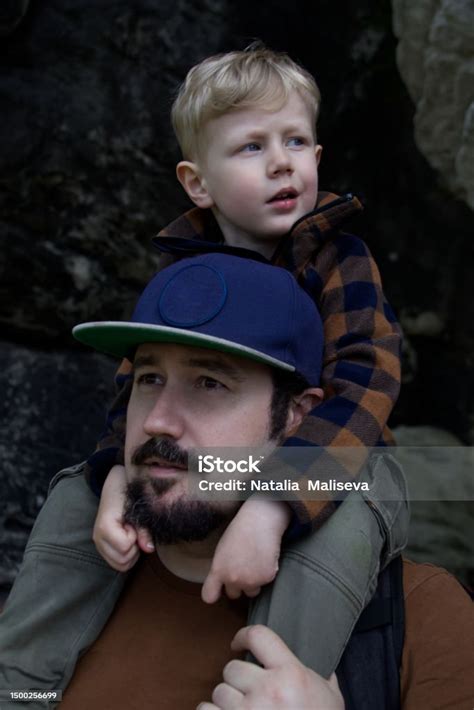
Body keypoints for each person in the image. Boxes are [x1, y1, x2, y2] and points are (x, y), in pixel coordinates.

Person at [0, 45, 408, 698]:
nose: (282, 161)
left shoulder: (341, 260)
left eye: (296, 140)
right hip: (223, 461)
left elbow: (367, 386)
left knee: (343, 527)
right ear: (197, 182)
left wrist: (273, 505)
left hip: (349, 456)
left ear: (318, 158)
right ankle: (17, 686)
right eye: (251, 147)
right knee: (78, 494)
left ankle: (273, 685)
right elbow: (136, 389)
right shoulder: (186, 278)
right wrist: (118, 478)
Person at [7, 253, 474, 710]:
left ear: (298, 418)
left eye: (209, 383)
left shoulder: (421, 615)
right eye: (149, 378)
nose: (159, 422)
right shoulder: (62, 585)